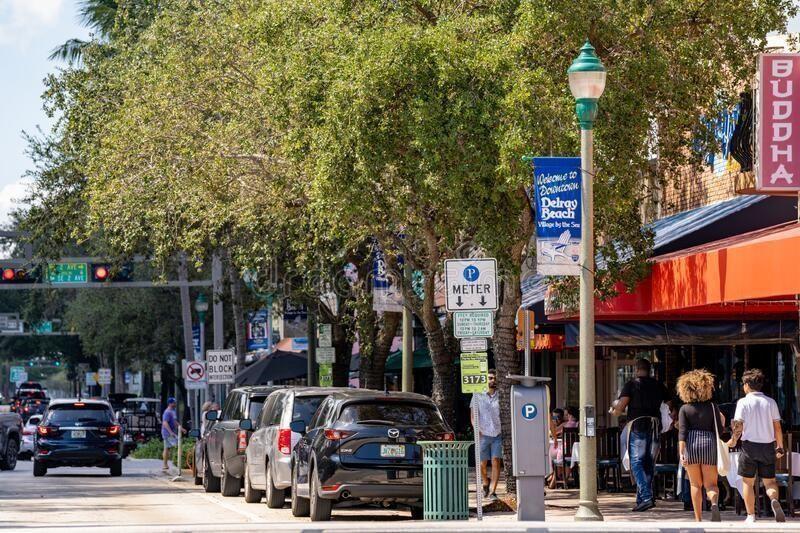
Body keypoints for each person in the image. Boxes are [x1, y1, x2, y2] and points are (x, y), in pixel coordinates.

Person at [727, 369, 785, 523]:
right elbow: (777, 427)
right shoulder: (770, 402)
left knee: (747, 482)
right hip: (767, 446)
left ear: (746, 385)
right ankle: (773, 500)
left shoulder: (743, 402)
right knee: (770, 482)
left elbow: (738, 425)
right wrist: (780, 446)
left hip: (749, 446)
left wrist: (733, 440)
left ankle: (751, 515)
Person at [610, 358, 668, 512]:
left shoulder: (632, 384)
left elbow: (621, 406)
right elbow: (670, 405)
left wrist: (614, 409)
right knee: (648, 462)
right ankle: (642, 499)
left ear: (636, 369)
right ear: (650, 370)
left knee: (636, 461)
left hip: (638, 425)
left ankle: (647, 496)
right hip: (655, 425)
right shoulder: (658, 384)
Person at [676, 369, 725, 522]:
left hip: (691, 445)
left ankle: (698, 518)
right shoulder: (712, 407)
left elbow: (682, 433)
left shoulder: (684, 409)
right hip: (709, 444)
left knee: (695, 484)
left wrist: (682, 454)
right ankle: (714, 503)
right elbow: (720, 429)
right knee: (711, 484)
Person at [470, 368, 502, 500]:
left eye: (494, 378)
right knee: (482, 464)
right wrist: (477, 430)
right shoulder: (477, 395)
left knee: (496, 461)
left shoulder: (501, 395)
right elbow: (472, 415)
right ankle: (485, 482)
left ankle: (493, 491)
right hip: (483, 433)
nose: (492, 380)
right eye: (489, 378)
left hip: (498, 433)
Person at [161, 397, 182, 473]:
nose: (175, 404)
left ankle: (168, 463)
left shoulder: (173, 411)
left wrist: (180, 428)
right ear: (170, 403)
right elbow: (165, 422)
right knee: (171, 446)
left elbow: (174, 421)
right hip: (167, 433)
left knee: (169, 447)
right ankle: (166, 464)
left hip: (171, 432)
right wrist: (170, 432)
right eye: (174, 402)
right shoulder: (167, 412)